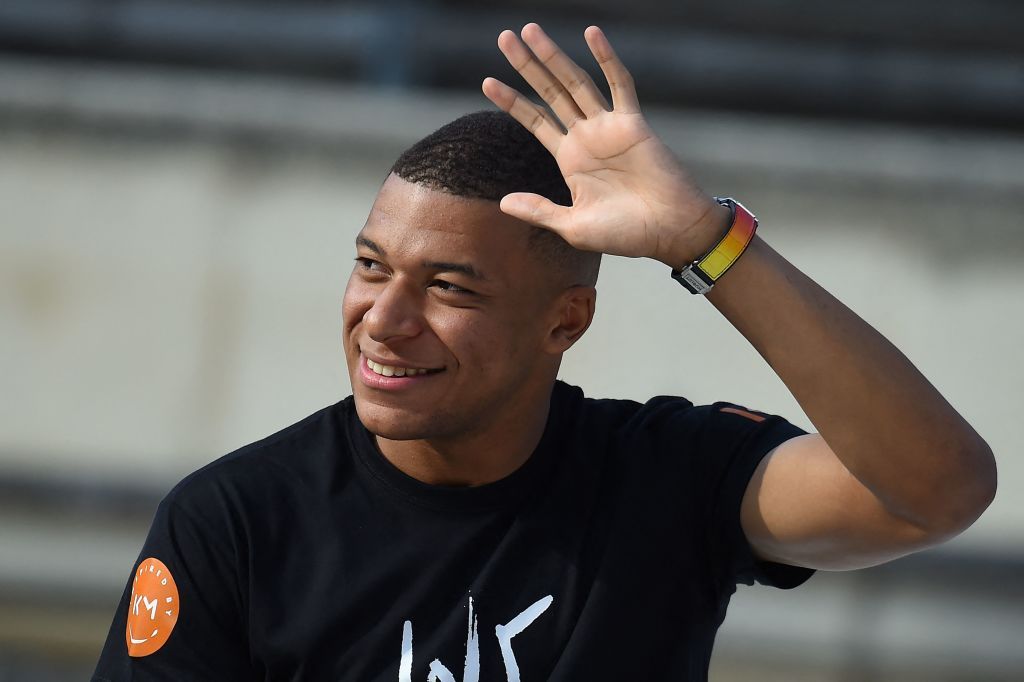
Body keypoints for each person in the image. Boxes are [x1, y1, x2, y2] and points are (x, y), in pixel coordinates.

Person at [92, 23, 996, 681]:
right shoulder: (234, 523)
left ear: (566, 322)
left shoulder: (666, 477)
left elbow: (937, 490)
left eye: (449, 288)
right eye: (371, 267)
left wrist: (705, 241)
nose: (385, 319)